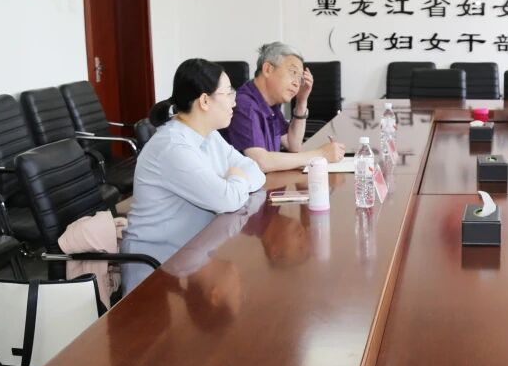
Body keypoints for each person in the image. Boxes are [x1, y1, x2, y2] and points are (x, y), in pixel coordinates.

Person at [121, 59, 266, 293]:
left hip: (191, 255)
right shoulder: (173, 147)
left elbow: (256, 171)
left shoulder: (209, 135)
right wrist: (236, 179)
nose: (234, 101)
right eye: (228, 93)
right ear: (205, 101)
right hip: (157, 271)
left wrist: (234, 181)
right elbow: (227, 199)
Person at [222, 42, 346, 172]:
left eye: (300, 78)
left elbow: (293, 144)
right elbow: (260, 162)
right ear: (268, 69)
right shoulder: (245, 105)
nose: (297, 83)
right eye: (293, 72)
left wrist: (301, 101)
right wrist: (321, 154)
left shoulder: (270, 104)